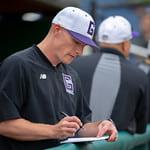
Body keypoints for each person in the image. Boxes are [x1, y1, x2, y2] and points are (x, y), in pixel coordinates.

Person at [0, 7, 118, 150]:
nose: (79, 51)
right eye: (76, 41)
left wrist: (100, 126)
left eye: (84, 45)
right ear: (57, 29)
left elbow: (81, 127)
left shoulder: (72, 75)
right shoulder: (18, 64)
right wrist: (54, 131)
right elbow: (4, 124)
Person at [71, 16, 149, 134]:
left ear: (100, 41)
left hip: (71, 144)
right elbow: (140, 127)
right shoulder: (139, 76)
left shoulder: (75, 64)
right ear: (125, 44)